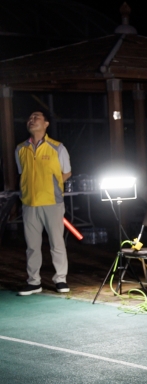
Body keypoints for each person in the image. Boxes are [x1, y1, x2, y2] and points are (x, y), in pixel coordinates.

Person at [15, 111, 72, 296]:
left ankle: (61, 279)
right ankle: (34, 282)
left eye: (36, 117)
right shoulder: (20, 149)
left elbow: (67, 172)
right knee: (32, 245)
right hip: (29, 203)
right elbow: (21, 173)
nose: (31, 120)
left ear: (46, 123)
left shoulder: (57, 148)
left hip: (51, 202)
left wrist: (53, 187)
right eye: (30, 118)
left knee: (56, 243)